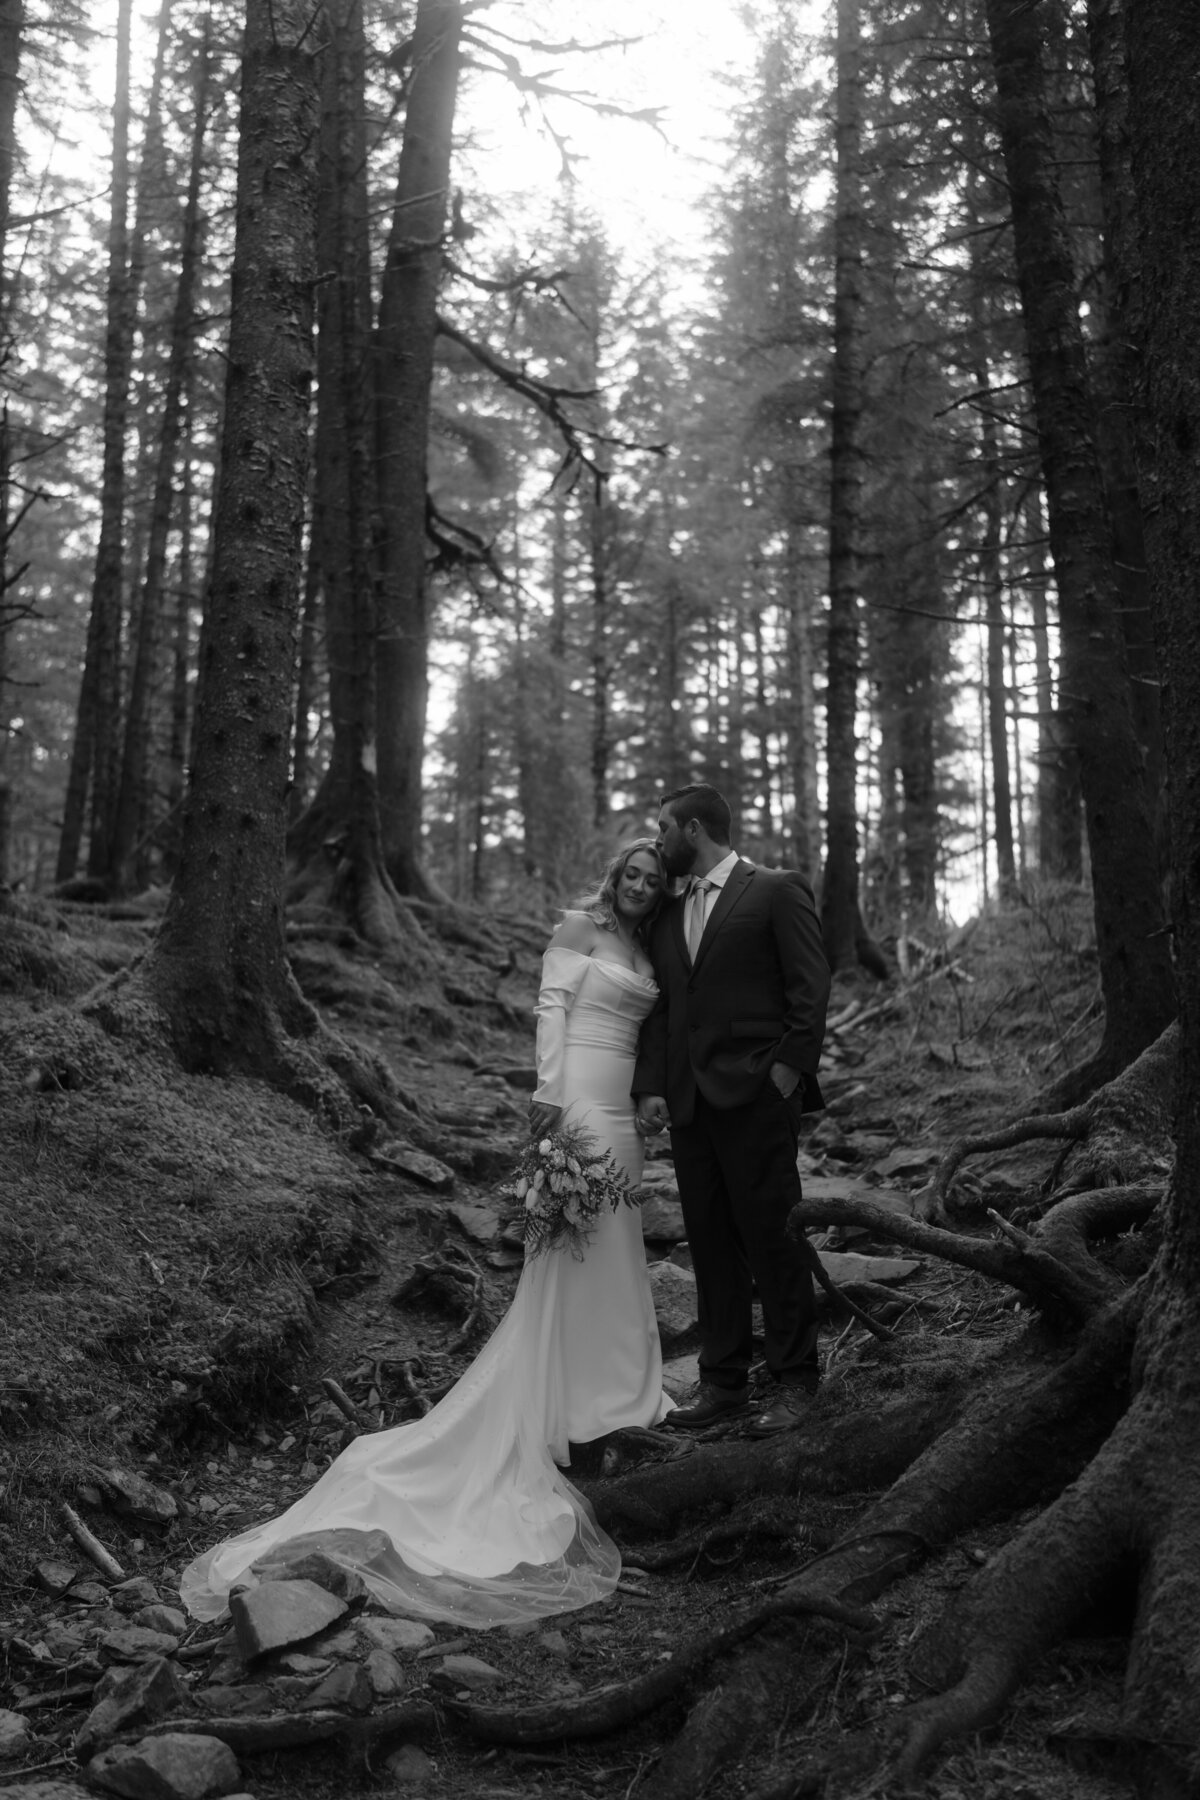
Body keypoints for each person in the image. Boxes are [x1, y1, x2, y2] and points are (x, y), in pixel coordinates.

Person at [179, 840, 673, 1631]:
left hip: (621, 1111)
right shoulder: (580, 928)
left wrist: (649, 1099)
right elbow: (552, 1007)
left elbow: (647, 1030)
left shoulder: (648, 946)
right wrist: (548, 1101)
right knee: (568, 1252)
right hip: (578, 1097)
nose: (641, 887)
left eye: (653, 879)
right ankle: (563, 1406)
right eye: (631, 875)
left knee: (614, 1248)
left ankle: (619, 1389)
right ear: (614, 877)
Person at [634, 785, 831, 1436]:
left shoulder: (774, 889)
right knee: (712, 1247)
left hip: (756, 1099)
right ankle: (723, 1384)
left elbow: (811, 984)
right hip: (691, 1107)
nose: (656, 839)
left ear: (693, 830)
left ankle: (797, 1381)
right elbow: (664, 1008)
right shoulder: (667, 913)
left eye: (662, 828)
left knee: (775, 1239)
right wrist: (653, 1086)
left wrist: (786, 1073)